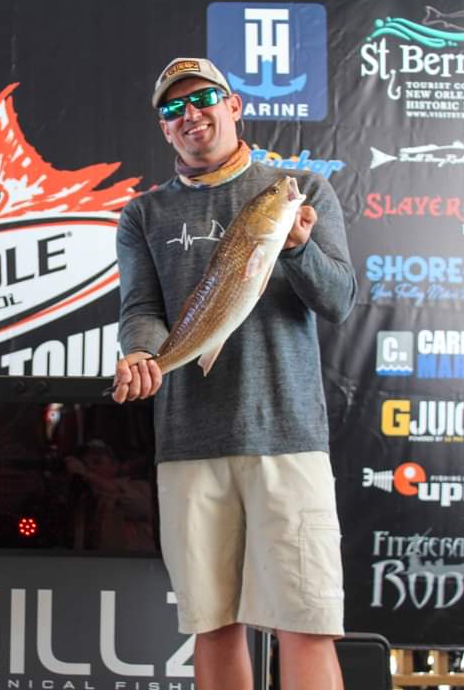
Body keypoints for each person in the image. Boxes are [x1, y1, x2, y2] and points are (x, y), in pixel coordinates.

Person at [110, 58, 357, 690]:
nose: (191, 115)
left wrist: (297, 247)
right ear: (165, 129)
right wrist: (141, 352)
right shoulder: (143, 214)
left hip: (287, 435)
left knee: (306, 625)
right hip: (189, 440)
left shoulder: (299, 187)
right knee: (212, 626)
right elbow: (141, 309)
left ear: (234, 104)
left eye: (204, 99)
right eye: (173, 109)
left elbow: (338, 301)